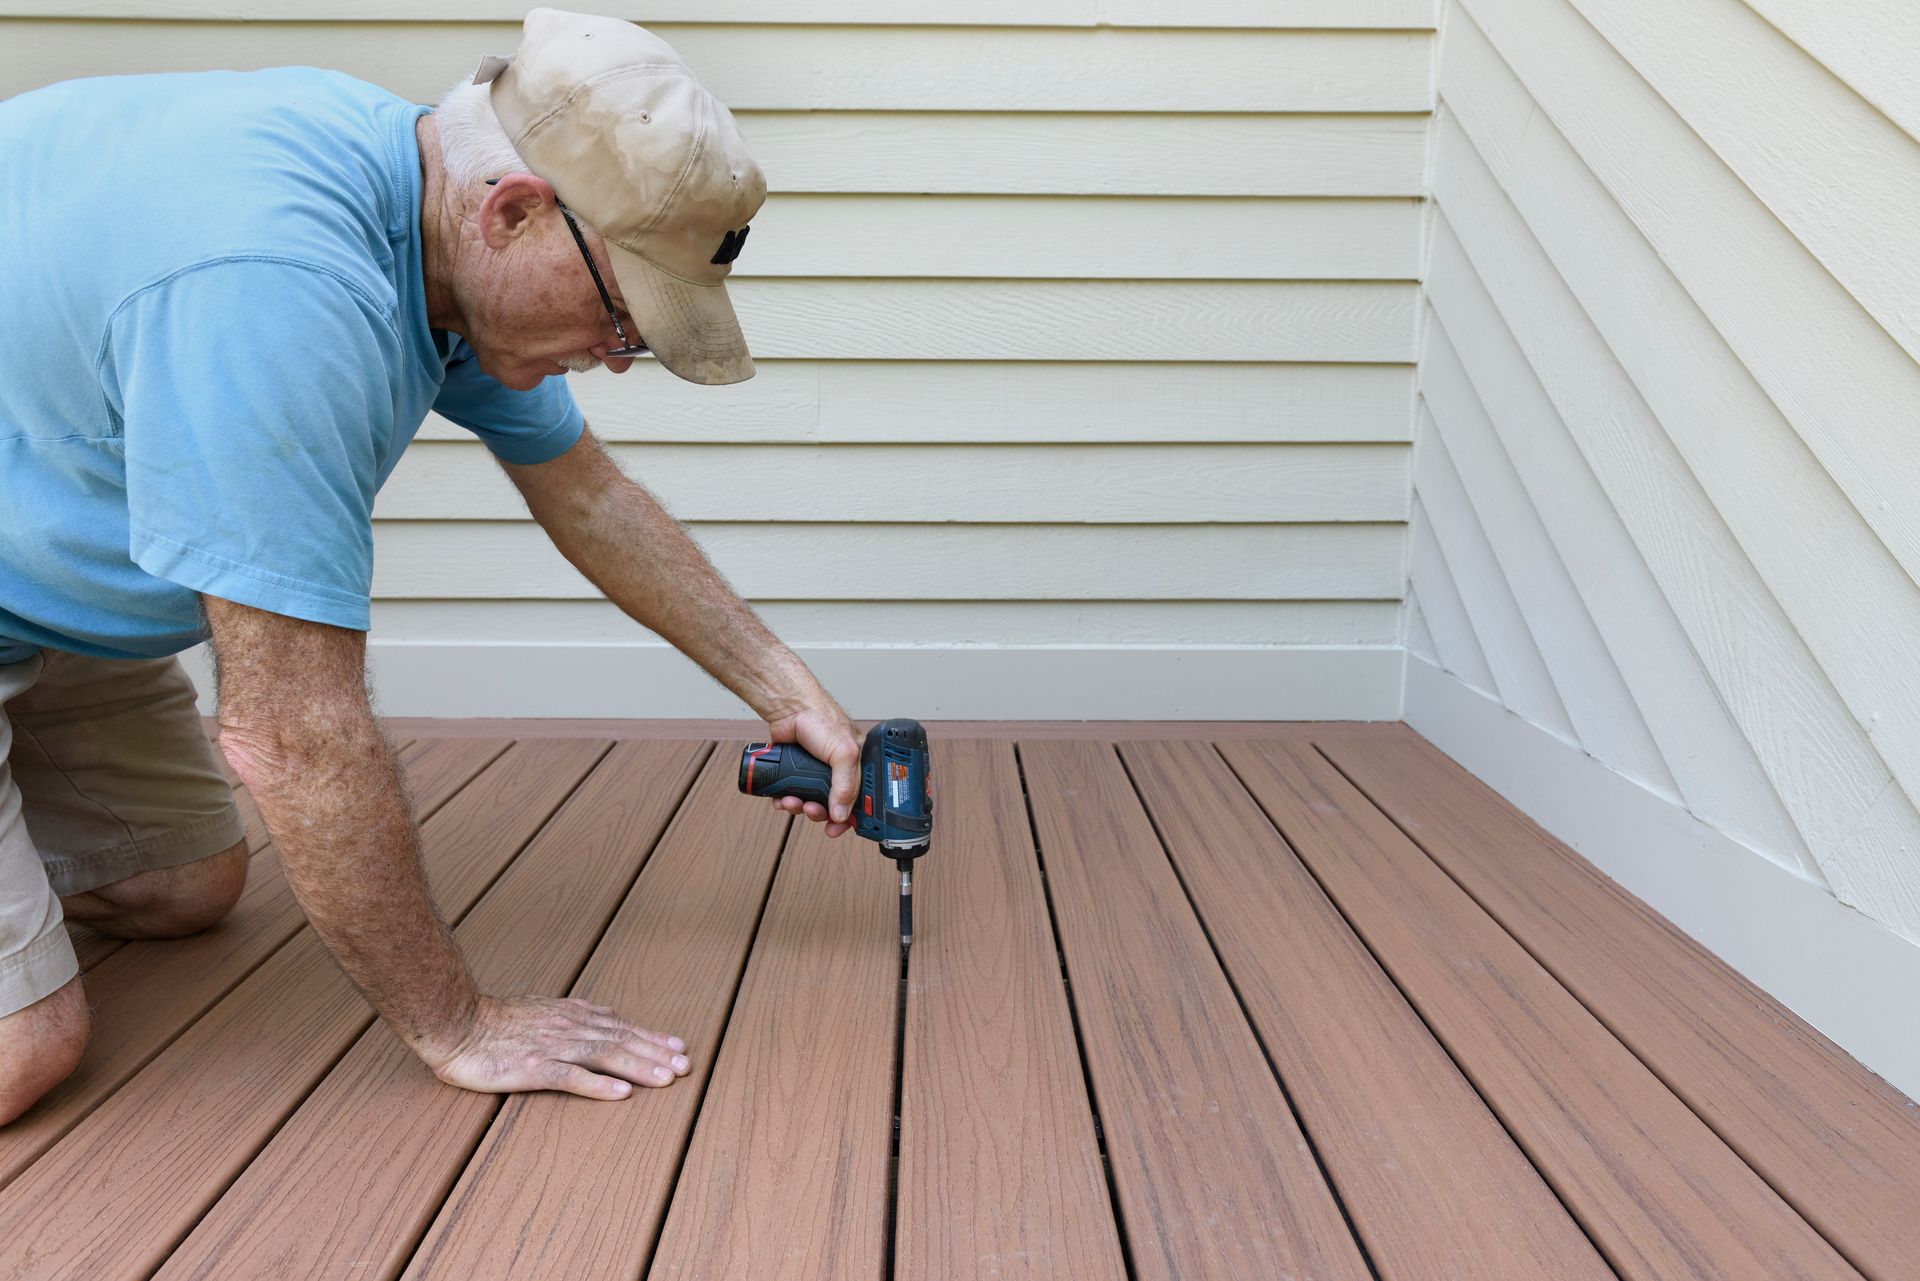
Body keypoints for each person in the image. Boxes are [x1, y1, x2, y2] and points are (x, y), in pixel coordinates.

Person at [0, 8, 861, 1126]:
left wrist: (787, 692)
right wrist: (458, 1024)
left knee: (181, 889)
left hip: (44, 596)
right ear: (514, 212)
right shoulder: (281, 292)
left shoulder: (427, 202)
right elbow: (291, 733)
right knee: (29, 1047)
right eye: (622, 317)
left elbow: (588, 492)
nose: (617, 357)